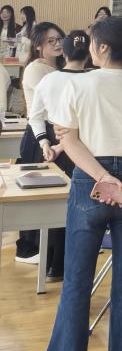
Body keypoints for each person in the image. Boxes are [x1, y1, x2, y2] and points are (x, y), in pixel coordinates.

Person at [41, 17, 122, 351]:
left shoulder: (77, 84)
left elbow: (70, 142)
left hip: (91, 177)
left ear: (102, 47)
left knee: (77, 281)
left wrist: (104, 178)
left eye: (92, 41)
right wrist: (115, 180)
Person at [24, 29, 88, 282]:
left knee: (57, 205)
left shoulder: (50, 80)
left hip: (58, 144)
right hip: (83, 148)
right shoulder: (95, 79)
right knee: (77, 208)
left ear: (66, 52)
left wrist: (46, 143)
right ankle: (64, 266)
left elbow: (35, 116)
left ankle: (53, 266)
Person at [14, 22, 65, 269]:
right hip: (39, 135)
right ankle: (27, 248)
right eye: (50, 41)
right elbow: (56, 101)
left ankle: (53, 249)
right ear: (38, 46)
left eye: (59, 39)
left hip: (57, 132)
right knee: (37, 194)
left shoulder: (60, 67)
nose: (57, 44)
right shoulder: (36, 69)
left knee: (56, 194)